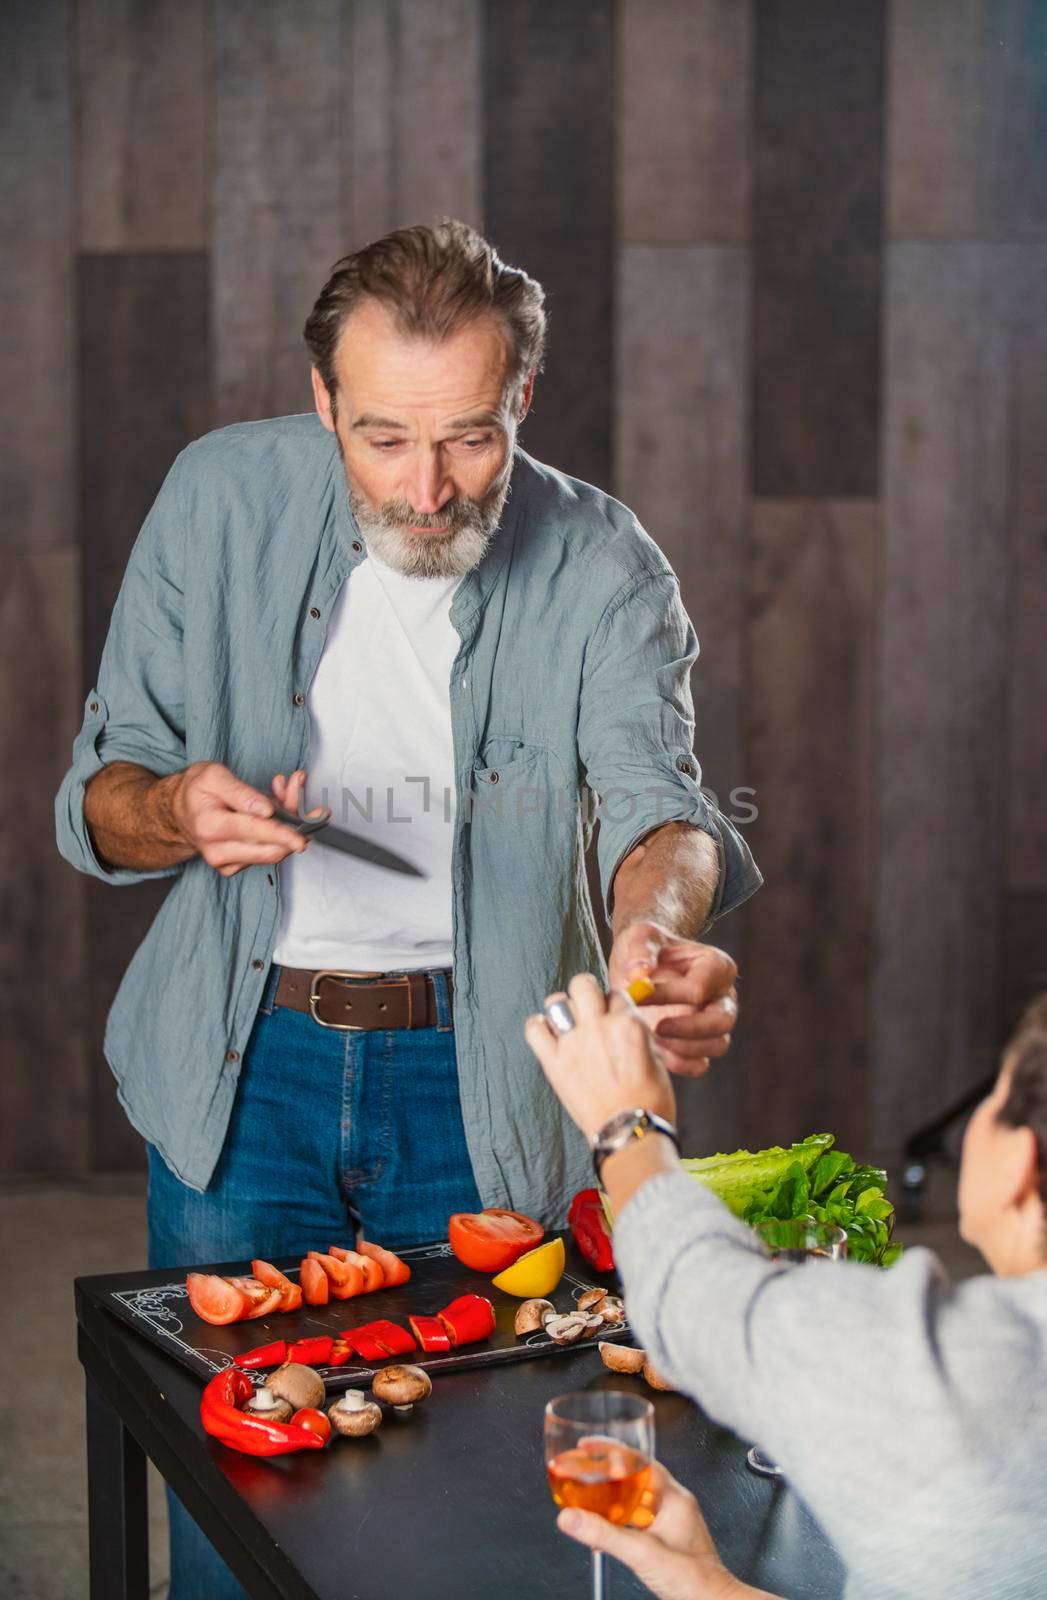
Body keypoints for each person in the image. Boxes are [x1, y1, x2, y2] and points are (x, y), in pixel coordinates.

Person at [55, 221, 760, 1599]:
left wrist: (651, 932)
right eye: (381, 439)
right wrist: (178, 808)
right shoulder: (216, 498)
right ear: (322, 399)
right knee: (235, 1484)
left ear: (523, 400)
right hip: (240, 1068)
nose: (426, 489)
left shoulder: (606, 562)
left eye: (470, 441)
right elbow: (99, 791)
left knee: (480, 1499)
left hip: (482, 1081)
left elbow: (656, 805)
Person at [526, 979, 1047, 1600]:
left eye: (996, 1092)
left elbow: (699, 1295)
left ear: (1021, 1160)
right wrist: (712, 1588)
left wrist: (627, 1126)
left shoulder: (976, 1373)